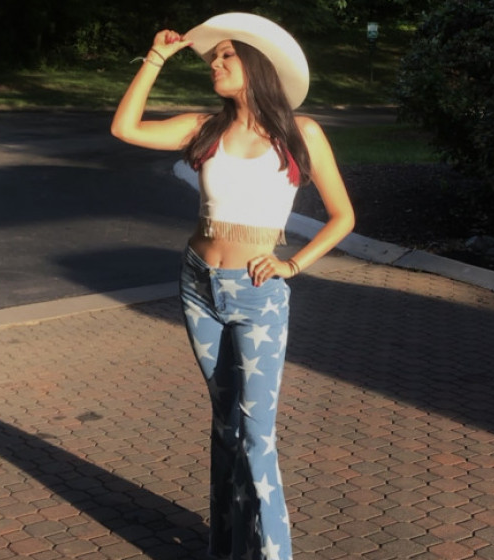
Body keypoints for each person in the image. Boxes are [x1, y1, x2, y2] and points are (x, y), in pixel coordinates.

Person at [111, 12, 354, 560]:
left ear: (258, 65)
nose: (215, 65)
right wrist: (156, 58)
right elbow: (125, 128)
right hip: (198, 284)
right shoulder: (204, 127)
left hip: (257, 293)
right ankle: (226, 547)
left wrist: (294, 265)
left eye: (226, 56)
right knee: (225, 426)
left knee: (256, 435)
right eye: (214, 57)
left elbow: (343, 216)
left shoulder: (301, 133)